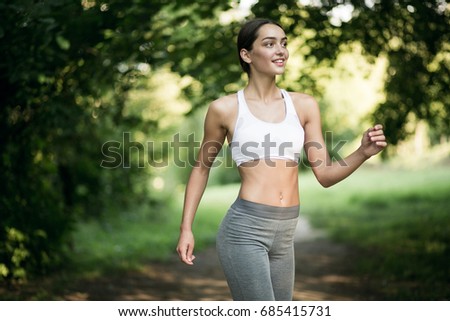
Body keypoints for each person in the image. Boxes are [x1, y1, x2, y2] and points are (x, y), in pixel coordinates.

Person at [176, 18, 387, 301]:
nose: (281, 51)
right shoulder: (224, 109)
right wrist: (186, 228)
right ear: (246, 55)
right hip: (244, 232)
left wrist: (362, 152)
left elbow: (324, 174)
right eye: (269, 43)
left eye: (284, 43)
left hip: (285, 236)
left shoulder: (304, 105)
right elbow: (201, 168)